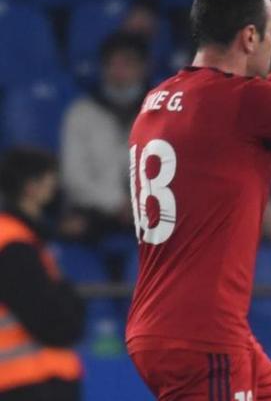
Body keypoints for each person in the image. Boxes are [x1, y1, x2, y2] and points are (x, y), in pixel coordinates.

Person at [126, 0, 271, 400]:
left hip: (173, 325)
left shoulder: (160, 98)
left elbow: (236, 116)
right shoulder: (244, 102)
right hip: (203, 335)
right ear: (249, 37)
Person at [0, 148, 85, 401]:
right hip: (30, 383)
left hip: (34, 381)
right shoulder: (13, 244)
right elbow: (53, 321)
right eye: (51, 183)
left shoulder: (25, 239)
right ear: (31, 187)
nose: (56, 192)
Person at [60, 32, 150, 244]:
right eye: (112, 64)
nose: (119, 72)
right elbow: (74, 177)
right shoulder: (81, 112)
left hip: (152, 210)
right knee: (72, 228)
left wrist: (140, 204)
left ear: (144, 67)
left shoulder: (162, 111)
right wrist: (116, 203)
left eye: (127, 64)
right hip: (95, 212)